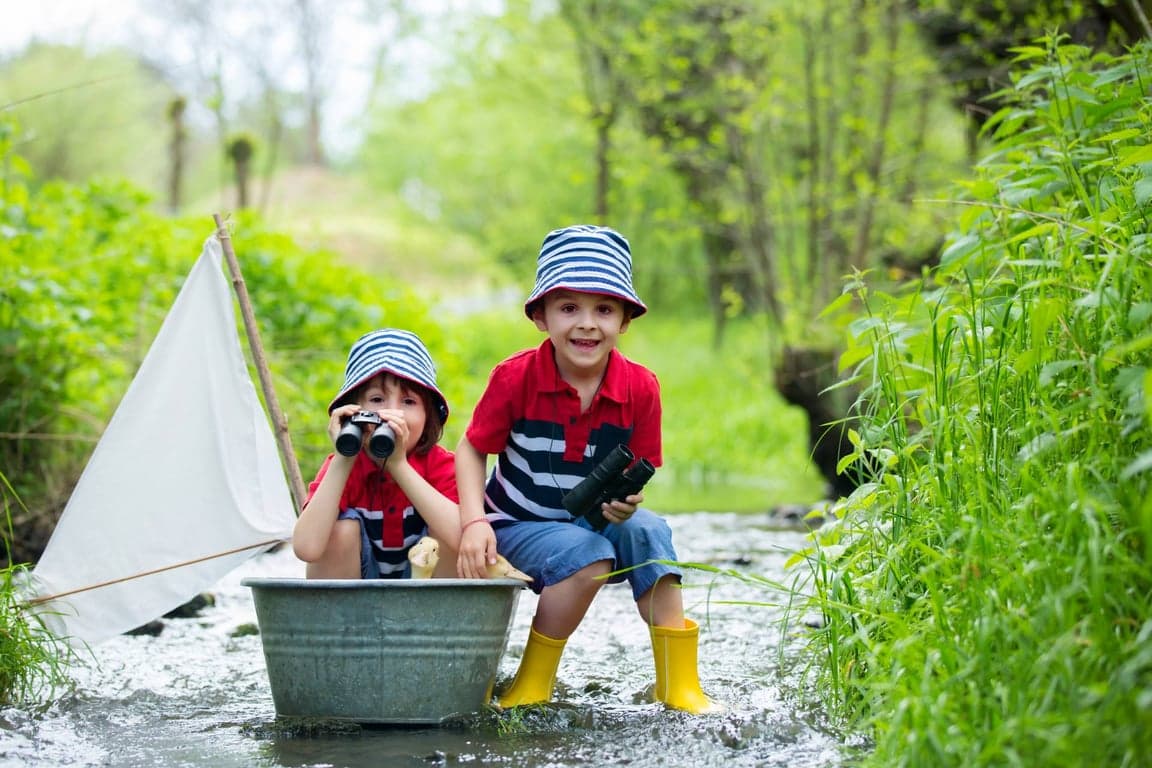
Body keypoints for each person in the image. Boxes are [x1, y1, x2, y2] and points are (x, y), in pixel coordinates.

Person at [455, 224, 719, 713]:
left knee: (650, 533)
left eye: (604, 309)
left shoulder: (640, 388)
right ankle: (534, 681)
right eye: (569, 307)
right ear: (542, 317)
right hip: (517, 523)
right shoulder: (515, 378)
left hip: (591, 517)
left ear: (624, 320)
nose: (587, 324)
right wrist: (473, 522)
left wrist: (626, 504)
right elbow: (472, 449)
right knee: (591, 553)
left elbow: (640, 472)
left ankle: (680, 683)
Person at [293, 328, 459, 579]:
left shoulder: (440, 465)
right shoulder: (344, 467)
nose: (390, 414)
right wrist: (343, 458)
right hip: (357, 599)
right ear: (353, 410)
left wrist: (398, 465)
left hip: (426, 601)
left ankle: (439, 618)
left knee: (447, 532)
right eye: (377, 399)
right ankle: (342, 618)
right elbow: (307, 548)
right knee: (338, 530)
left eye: (408, 402)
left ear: (429, 415)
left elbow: (464, 539)